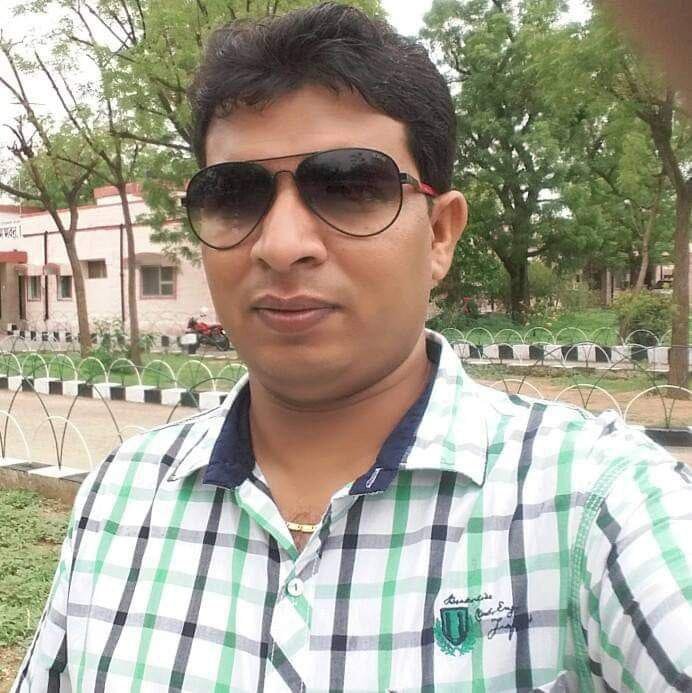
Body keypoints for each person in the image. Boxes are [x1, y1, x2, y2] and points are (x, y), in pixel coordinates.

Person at [12, 3, 692, 691]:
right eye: (236, 195)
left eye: (348, 187)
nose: (281, 244)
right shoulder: (121, 498)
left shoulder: (598, 506)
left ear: (440, 234)